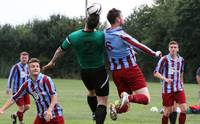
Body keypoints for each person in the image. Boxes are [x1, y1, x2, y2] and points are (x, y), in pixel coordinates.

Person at [42, 3, 109, 124]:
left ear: (85, 20)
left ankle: (94, 113)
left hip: (85, 73)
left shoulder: (73, 36)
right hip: (99, 72)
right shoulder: (102, 36)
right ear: (97, 23)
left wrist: (52, 62)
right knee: (102, 102)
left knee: (91, 92)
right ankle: (98, 118)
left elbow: (60, 50)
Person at [104, 8, 162, 120]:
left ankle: (114, 108)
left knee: (124, 106)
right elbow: (139, 45)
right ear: (118, 19)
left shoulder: (105, 33)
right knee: (146, 99)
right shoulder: (121, 35)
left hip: (116, 73)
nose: (123, 18)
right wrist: (154, 53)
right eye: (122, 16)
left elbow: (116, 48)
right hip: (130, 69)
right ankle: (128, 97)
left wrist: (130, 51)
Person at [0, 58, 64, 124]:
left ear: (39, 68)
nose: (35, 68)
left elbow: (54, 95)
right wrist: (2, 109)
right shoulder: (27, 85)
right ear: (28, 70)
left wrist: (49, 110)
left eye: (37, 66)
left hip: (55, 115)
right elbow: (14, 98)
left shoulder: (46, 79)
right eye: (33, 66)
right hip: (41, 116)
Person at [154, 41, 187, 124]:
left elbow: (181, 72)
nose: (173, 49)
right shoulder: (164, 59)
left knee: (184, 109)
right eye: (171, 47)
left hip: (178, 88)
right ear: (169, 49)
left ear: (178, 49)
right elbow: (155, 73)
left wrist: (182, 83)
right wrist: (165, 79)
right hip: (167, 89)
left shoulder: (181, 60)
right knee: (167, 112)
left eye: (175, 47)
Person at [7, 51, 30, 124]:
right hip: (17, 91)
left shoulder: (28, 67)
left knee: (27, 106)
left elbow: (29, 77)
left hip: (26, 90)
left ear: (28, 59)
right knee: (21, 107)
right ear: (20, 58)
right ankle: (21, 122)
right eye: (23, 58)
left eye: (25, 58)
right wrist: (9, 88)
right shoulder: (16, 67)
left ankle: (15, 115)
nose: (24, 59)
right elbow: (10, 77)